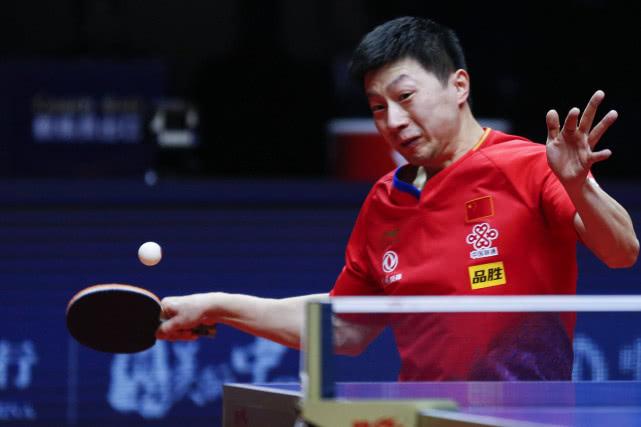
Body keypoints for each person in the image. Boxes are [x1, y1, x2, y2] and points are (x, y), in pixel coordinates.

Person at [156, 16, 639, 380]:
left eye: (405, 97)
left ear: (459, 86)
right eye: (377, 107)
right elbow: (344, 329)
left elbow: (621, 252)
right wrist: (219, 306)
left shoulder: (529, 165)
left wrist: (579, 185)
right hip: (423, 415)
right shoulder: (386, 200)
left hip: (527, 417)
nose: (393, 121)